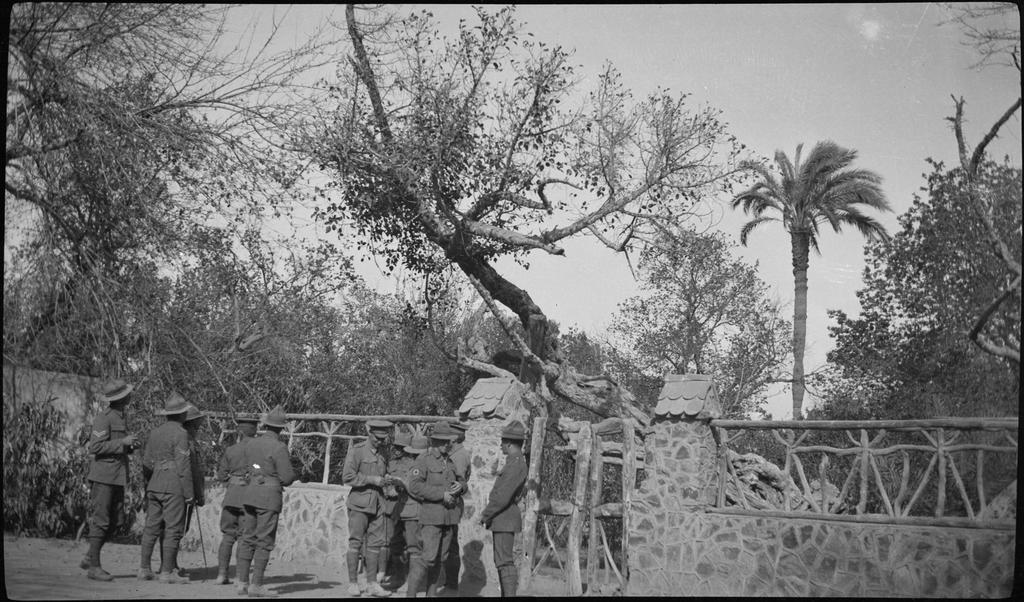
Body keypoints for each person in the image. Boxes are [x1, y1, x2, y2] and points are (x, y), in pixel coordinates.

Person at [138, 394, 203, 584]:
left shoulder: (155, 432)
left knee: (151, 528)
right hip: (173, 485)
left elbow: (146, 463)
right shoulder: (181, 434)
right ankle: (167, 572)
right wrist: (190, 494)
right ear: (182, 415)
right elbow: (183, 466)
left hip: (155, 484)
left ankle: (144, 569)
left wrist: (149, 485)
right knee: (173, 529)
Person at [81, 379, 139, 581]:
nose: (130, 395)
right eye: (127, 393)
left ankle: (91, 555)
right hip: (104, 476)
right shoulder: (103, 418)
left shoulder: (121, 417)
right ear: (122, 398)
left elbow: (117, 445)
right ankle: (94, 567)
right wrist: (121, 442)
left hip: (117, 476)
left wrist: (129, 446)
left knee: (116, 521)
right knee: (102, 521)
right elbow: (95, 448)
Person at [236, 405, 296, 597]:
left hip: (250, 493)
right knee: (264, 540)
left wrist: (259, 470)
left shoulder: (252, 444)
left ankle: (242, 582)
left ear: (266, 425)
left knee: (247, 537)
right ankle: (257, 585)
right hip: (268, 497)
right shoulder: (279, 447)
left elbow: (251, 465)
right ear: (281, 428)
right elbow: (287, 477)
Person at [405, 422, 466, 599]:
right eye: (446, 441)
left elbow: (462, 482)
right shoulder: (424, 460)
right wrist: (442, 494)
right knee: (427, 558)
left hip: (449, 518)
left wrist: (460, 487)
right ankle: (411, 595)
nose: (449, 444)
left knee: (440, 559)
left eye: (449, 441)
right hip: (432, 518)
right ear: (436, 441)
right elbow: (415, 486)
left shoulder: (451, 461)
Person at [342, 419, 395, 598]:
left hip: (378, 505)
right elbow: (348, 476)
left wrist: (387, 482)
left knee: (375, 545)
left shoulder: (382, 454)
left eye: (383, 439)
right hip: (359, 504)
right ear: (369, 433)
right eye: (378, 438)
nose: (380, 441)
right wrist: (373, 480)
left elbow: (382, 475)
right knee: (355, 542)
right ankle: (353, 583)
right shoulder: (357, 451)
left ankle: (372, 584)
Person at [479, 420, 529, 597]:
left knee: (504, 562)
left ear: (508, 443)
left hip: (504, 517)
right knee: (501, 561)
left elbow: (502, 497)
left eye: (502, 442)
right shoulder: (513, 463)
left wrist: (486, 514)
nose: (500, 446)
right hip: (503, 518)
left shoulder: (516, 465)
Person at [214, 413, 261, 584]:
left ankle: (221, 575)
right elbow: (258, 468)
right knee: (245, 538)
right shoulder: (257, 451)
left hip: (231, 496)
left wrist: (233, 481)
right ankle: (241, 578)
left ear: (239, 430)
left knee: (227, 536)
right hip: (248, 499)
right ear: (254, 429)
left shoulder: (231, 450)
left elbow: (221, 475)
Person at [380, 433, 428, 593]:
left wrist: (405, 485)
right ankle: (398, 578)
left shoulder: (426, 466)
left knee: (414, 548)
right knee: (395, 545)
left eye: (415, 453)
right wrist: (398, 485)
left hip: (414, 512)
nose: (413, 456)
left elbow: (422, 492)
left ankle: (413, 583)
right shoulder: (414, 465)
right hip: (400, 510)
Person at [434, 421, 471, 595]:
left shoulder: (459, 456)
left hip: (451, 504)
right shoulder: (454, 453)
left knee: (451, 544)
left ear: (455, 437)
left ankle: (450, 584)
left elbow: (457, 482)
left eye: (449, 435)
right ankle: (446, 582)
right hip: (446, 502)